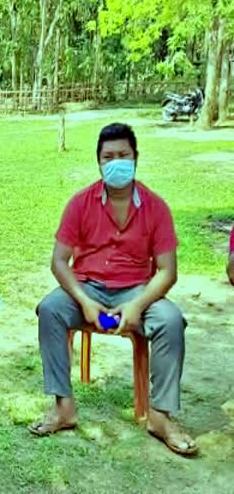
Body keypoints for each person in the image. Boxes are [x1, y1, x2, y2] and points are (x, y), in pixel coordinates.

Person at [28, 123, 198, 456]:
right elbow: (60, 262)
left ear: (136, 158)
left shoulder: (155, 207)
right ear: (99, 162)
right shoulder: (80, 203)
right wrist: (85, 301)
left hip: (137, 290)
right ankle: (63, 407)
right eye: (109, 156)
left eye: (123, 155)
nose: (116, 162)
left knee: (171, 320)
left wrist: (137, 305)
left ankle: (160, 416)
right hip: (87, 287)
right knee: (49, 309)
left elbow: (167, 271)